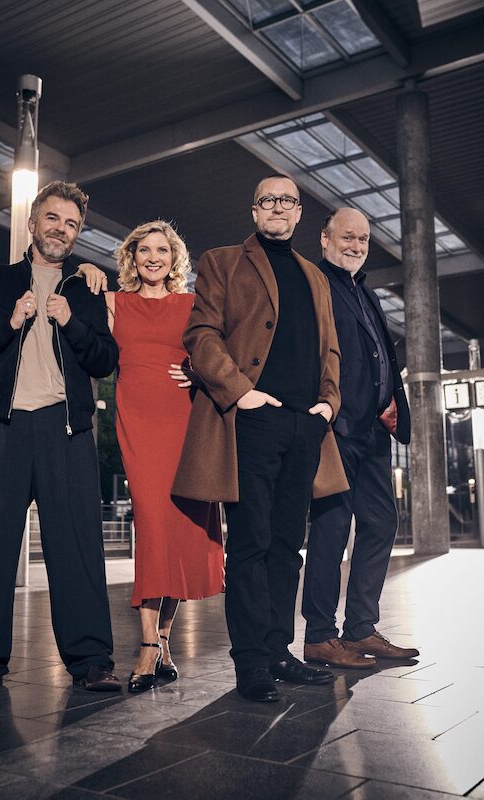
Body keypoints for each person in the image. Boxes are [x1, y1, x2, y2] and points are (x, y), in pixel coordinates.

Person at [172, 175, 349, 702]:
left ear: (299, 213)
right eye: (268, 200)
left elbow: (330, 348)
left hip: (305, 425)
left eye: (288, 201)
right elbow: (200, 334)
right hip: (251, 420)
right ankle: (250, 662)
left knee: (287, 546)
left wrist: (329, 403)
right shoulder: (222, 261)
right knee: (250, 543)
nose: (278, 208)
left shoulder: (315, 276)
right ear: (255, 211)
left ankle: (277, 650)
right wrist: (241, 392)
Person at [0, 181, 121, 697]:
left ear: (77, 233)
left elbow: (105, 360)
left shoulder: (87, 289)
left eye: (71, 224)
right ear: (32, 222)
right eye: (53, 218)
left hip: (65, 430)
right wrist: (9, 322)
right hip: (3, 428)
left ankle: (91, 661)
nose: (60, 229)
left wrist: (72, 324)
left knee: (78, 548)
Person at [81, 220, 224, 694]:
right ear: (132, 257)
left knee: (178, 531)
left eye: (162, 250)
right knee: (152, 525)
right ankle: (147, 644)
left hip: (184, 424)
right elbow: (71, 296)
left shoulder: (191, 304)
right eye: (144, 250)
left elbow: (220, 353)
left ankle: (162, 642)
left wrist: (197, 374)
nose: (153, 258)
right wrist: (83, 270)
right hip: (138, 426)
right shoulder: (114, 303)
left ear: (174, 258)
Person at [302, 207, 419, 668]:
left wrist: (388, 399)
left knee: (382, 522)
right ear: (325, 239)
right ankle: (319, 635)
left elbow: (378, 355)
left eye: (363, 239)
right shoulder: (316, 284)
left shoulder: (364, 291)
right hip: (336, 430)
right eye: (347, 237)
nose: (356, 245)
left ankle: (361, 628)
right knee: (331, 530)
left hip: (372, 431)